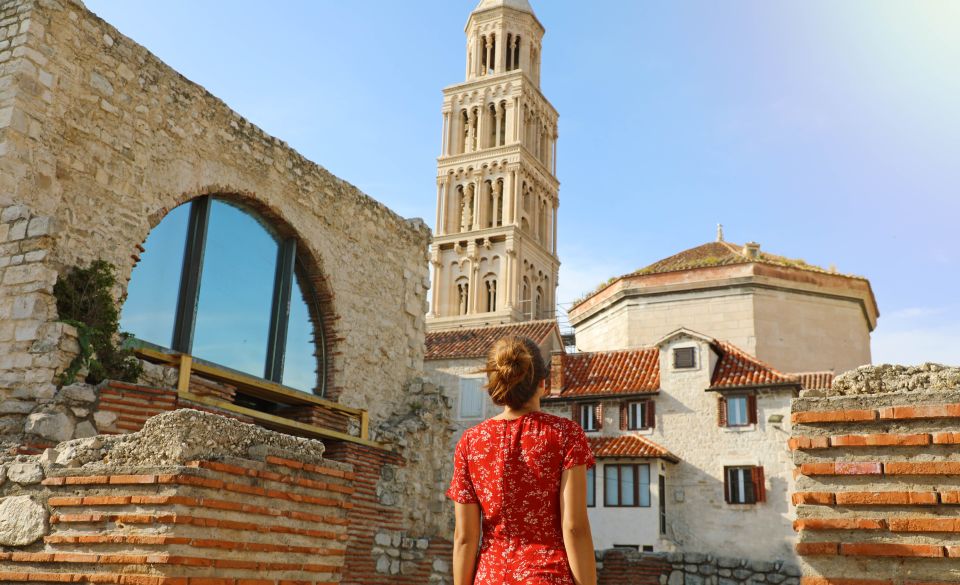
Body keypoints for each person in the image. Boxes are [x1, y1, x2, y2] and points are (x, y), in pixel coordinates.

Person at [446, 335, 597, 585]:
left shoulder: (471, 442)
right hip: (547, 577)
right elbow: (575, 528)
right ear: (543, 382)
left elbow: (464, 537)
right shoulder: (565, 435)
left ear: (495, 384)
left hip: (490, 578)